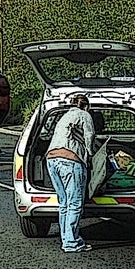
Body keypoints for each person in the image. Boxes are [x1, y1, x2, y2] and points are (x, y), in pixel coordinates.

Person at [45, 93, 95, 253]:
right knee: (75, 203)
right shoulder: (84, 115)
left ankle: (66, 239)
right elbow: (89, 136)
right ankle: (71, 243)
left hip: (51, 159)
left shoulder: (64, 116)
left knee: (64, 203)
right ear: (86, 106)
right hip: (70, 159)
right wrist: (90, 155)